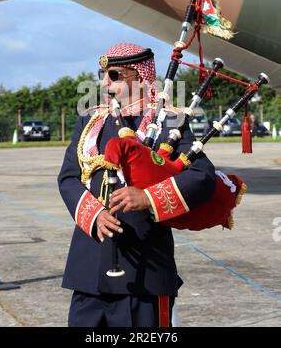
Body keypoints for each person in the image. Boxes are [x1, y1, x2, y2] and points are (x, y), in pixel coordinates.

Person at [58, 42, 216, 327]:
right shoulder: (89, 121)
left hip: (144, 268)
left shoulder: (170, 122)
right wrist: (93, 215)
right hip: (88, 267)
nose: (105, 82)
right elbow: (69, 177)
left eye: (115, 75)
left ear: (141, 77)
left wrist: (148, 197)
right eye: (102, 74)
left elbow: (202, 176)